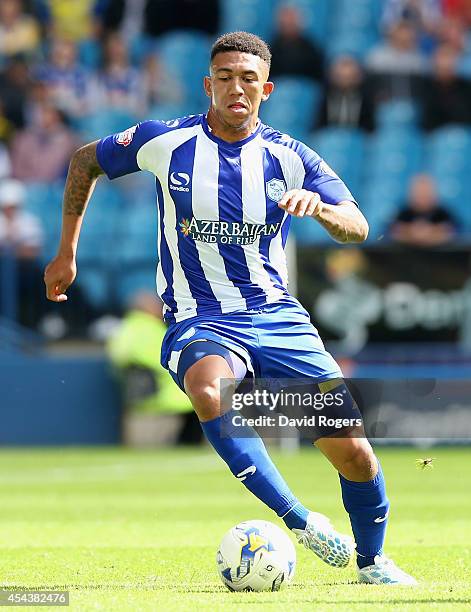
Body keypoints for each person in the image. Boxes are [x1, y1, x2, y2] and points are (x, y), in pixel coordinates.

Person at [44, 31, 416, 585]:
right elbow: (83, 162)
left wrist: (321, 211)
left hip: (278, 318)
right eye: (224, 77)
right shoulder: (164, 141)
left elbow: (357, 226)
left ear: (265, 89)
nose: (235, 88)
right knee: (210, 388)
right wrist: (65, 253)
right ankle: (300, 520)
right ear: (208, 84)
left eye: (248, 79)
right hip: (200, 318)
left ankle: (372, 561)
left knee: (355, 453)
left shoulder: (290, 156)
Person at [390, 174, 457, 246]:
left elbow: (456, 233)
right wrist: (412, 233)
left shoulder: (444, 213)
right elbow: (387, 234)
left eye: (426, 192)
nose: (423, 195)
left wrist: (431, 233)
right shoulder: (402, 213)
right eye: (419, 192)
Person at [316, 55, 375, 132]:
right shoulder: (325, 97)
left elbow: (370, 127)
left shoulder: (366, 99)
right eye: (341, 77)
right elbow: (320, 126)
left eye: (350, 77)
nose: (346, 82)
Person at [421, 44, 471, 131]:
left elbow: (465, 116)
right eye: (443, 57)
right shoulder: (426, 86)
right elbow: (429, 119)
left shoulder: (465, 86)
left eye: (451, 57)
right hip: (435, 134)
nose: (447, 62)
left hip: (462, 133)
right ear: (435, 61)